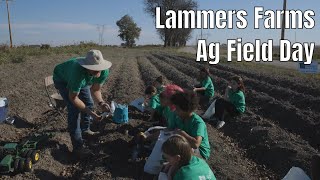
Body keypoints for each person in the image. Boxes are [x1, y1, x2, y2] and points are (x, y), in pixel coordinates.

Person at [53, 49, 112, 157]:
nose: (97, 72)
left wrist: (101, 103)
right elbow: (74, 98)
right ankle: (78, 147)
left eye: (99, 69)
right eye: (94, 70)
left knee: (89, 103)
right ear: (86, 67)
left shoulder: (104, 71)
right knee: (74, 110)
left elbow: (96, 90)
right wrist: (91, 114)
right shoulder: (78, 72)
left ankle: (85, 130)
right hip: (62, 79)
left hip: (80, 78)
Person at [170, 91, 211, 160]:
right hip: (186, 144)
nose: (175, 111)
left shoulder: (197, 123)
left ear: (187, 110)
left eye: (177, 109)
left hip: (200, 153)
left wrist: (182, 133)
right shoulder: (179, 117)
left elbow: (196, 144)